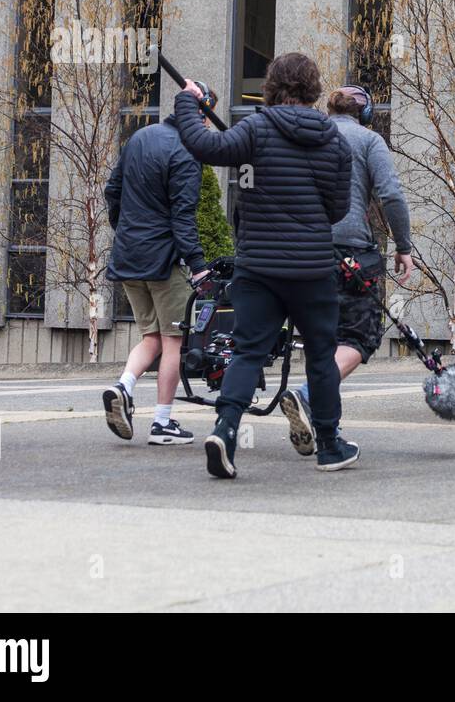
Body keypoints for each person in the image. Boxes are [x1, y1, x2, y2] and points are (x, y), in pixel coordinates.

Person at [173, 53, 354, 478]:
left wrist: (188, 102)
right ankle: (329, 446)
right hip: (311, 269)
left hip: (258, 268)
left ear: (271, 85)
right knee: (322, 357)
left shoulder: (256, 129)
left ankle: (226, 429)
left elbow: (204, 146)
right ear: (313, 89)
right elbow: (336, 210)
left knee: (249, 350)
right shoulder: (335, 141)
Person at [280, 85, 414, 456]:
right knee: (360, 337)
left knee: (321, 339)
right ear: (366, 113)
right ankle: (308, 396)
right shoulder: (369, 140)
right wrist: (403, 246)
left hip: (305, 249)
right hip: (353, 251)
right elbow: (390, 194)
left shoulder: (308, 137)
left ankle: (327, 429)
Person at [101, 95, 211, 445]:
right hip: (164, 261)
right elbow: (183, 218)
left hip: (129, 256)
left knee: (150, 337)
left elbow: (112, 190)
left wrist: (125, 230)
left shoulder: (139, 138)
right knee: (173, 340)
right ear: (198, 114)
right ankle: (162, 422)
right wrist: (198, 266)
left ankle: (123, 386)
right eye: (207, 116)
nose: (208, 125)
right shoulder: (186, 153)